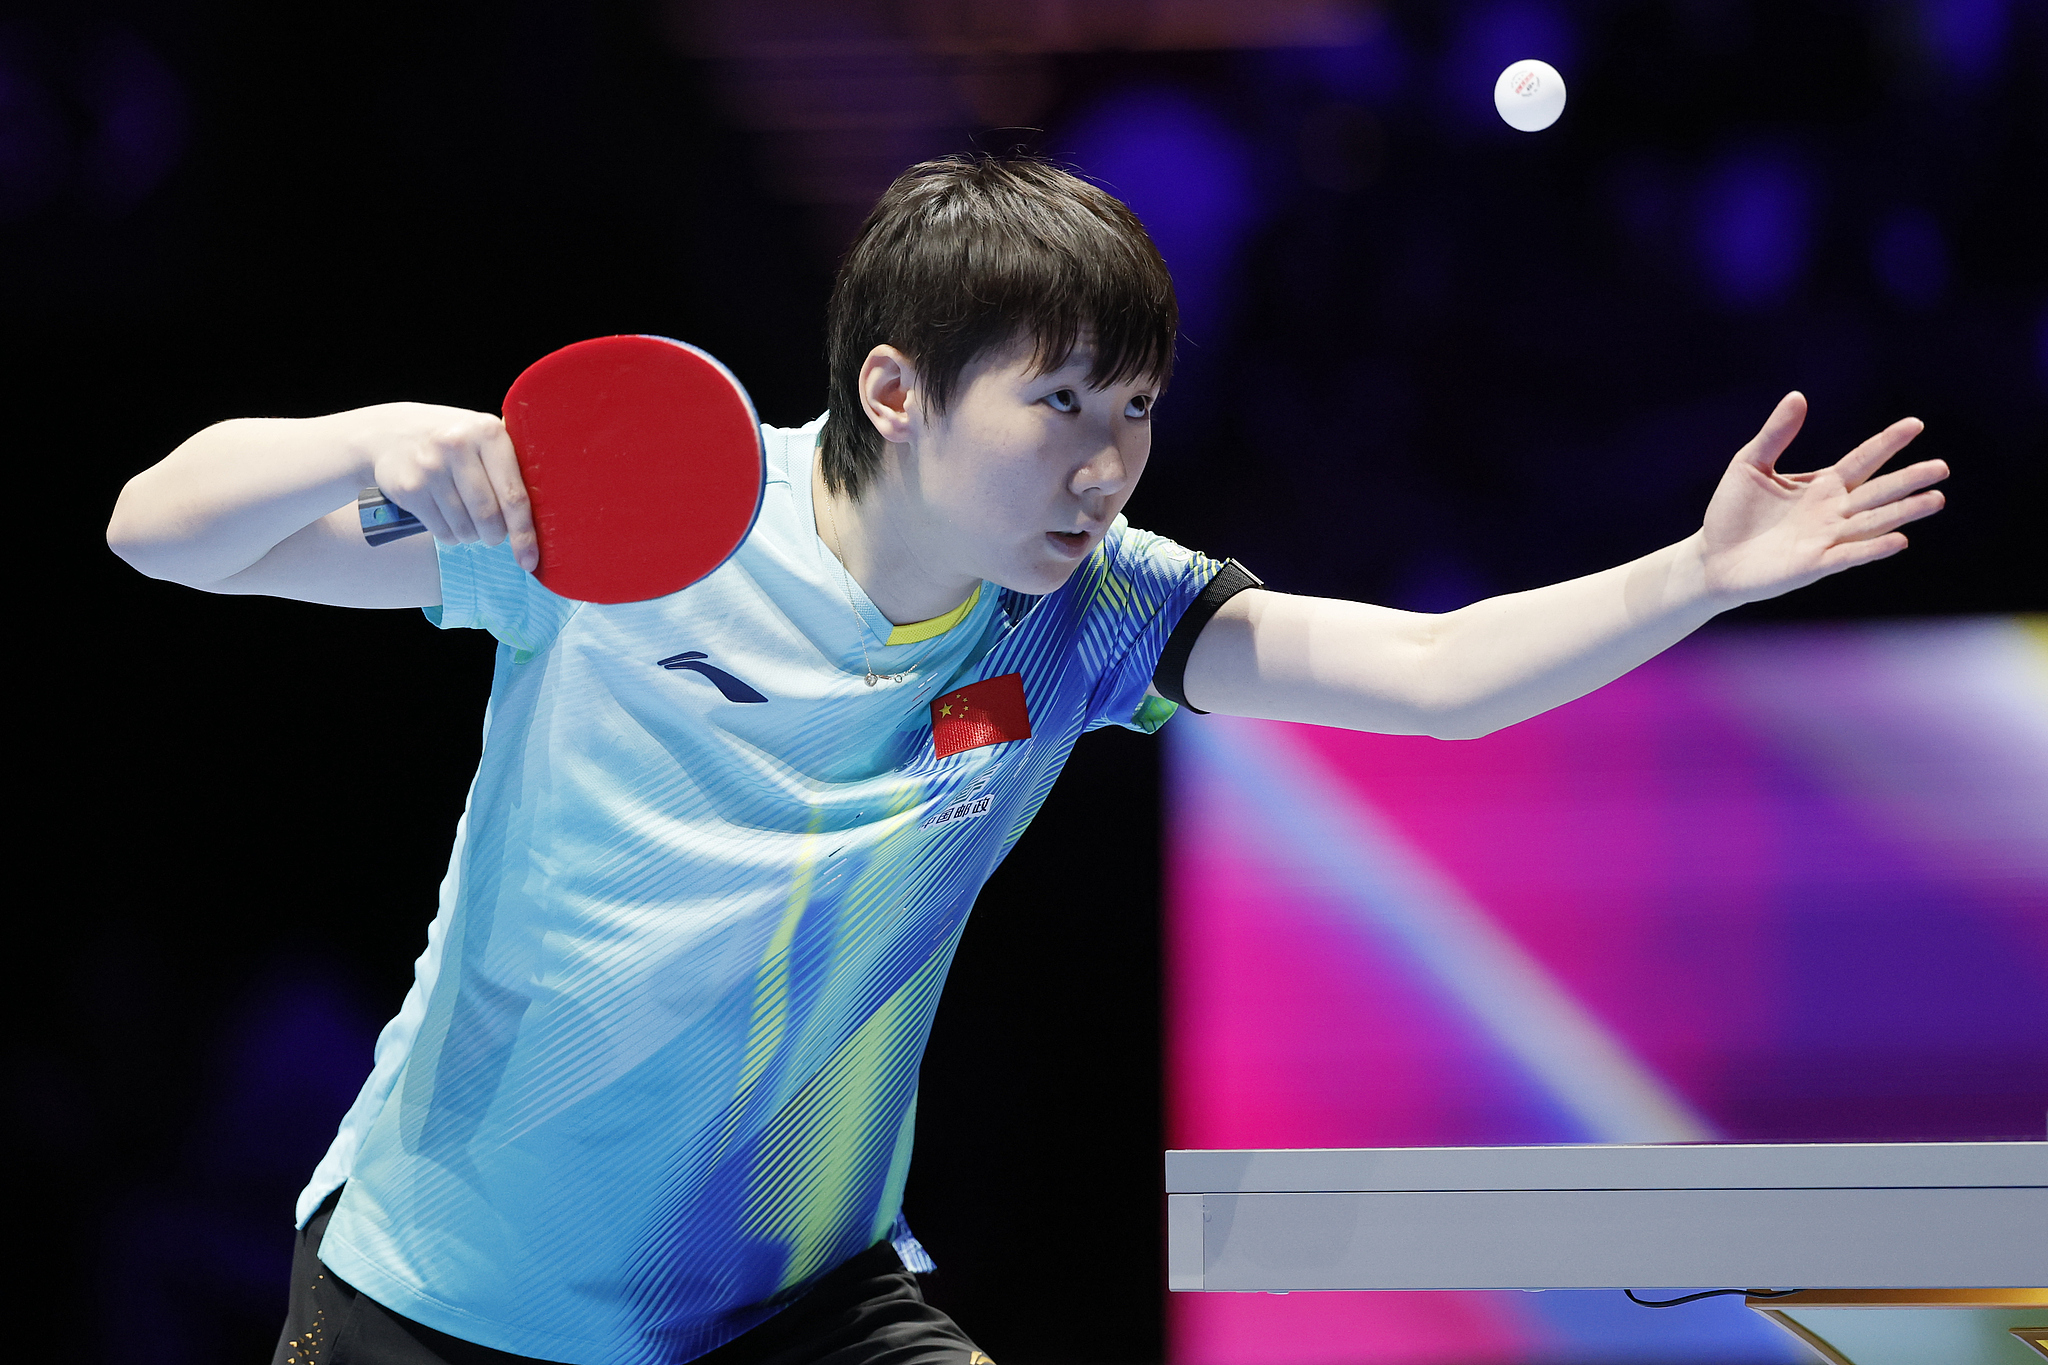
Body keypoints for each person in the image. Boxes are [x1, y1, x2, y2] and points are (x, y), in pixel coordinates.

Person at [105, 155, 1947, 1365]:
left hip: (793, 1306)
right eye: (1058, 403)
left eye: (1135, 409)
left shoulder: (1091, 613)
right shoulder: (636, 511)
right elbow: (156, 531)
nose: (1106, 465)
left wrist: (1702, 575)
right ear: (897, 390)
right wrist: (363, 433)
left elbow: (1442, 677)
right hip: (441, 1298)